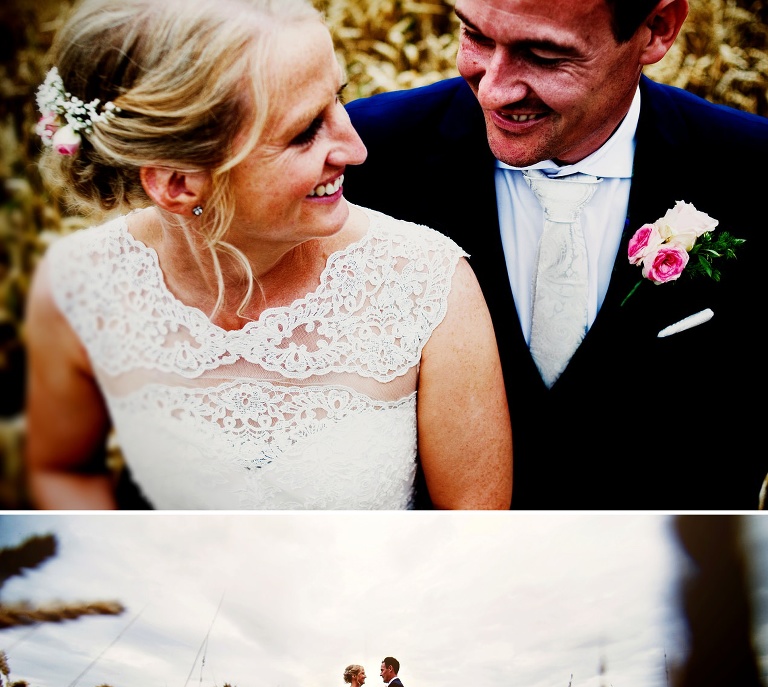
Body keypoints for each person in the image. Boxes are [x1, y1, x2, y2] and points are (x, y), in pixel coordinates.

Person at [25, 0, 511, 513]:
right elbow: (63, 471)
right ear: (178, 182)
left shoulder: (426, 286)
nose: (355, 147)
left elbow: (473, 535)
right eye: (304, 132)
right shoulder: (80, 285)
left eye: (338, 101)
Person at [344, 0, 768, 512]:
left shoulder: (753, 171)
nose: (495, 89)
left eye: (544, 56)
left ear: (657, 30)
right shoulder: (362, 158)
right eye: (475, 36)